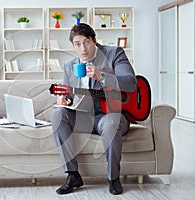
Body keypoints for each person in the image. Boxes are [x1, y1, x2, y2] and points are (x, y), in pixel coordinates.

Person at [51, 23, 137, 195]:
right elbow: (70, 95)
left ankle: (113, 178)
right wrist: (64, 99)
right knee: (58, 114)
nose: (83, 48)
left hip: (112, 115)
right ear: (73, 46)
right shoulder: (70, 66)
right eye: (77, 44)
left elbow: (130, 82)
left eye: (86, 42)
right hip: (85, 118)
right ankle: (73, 175)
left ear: (95, 41)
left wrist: (102, 76)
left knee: (111, 122)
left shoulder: (114, 54)